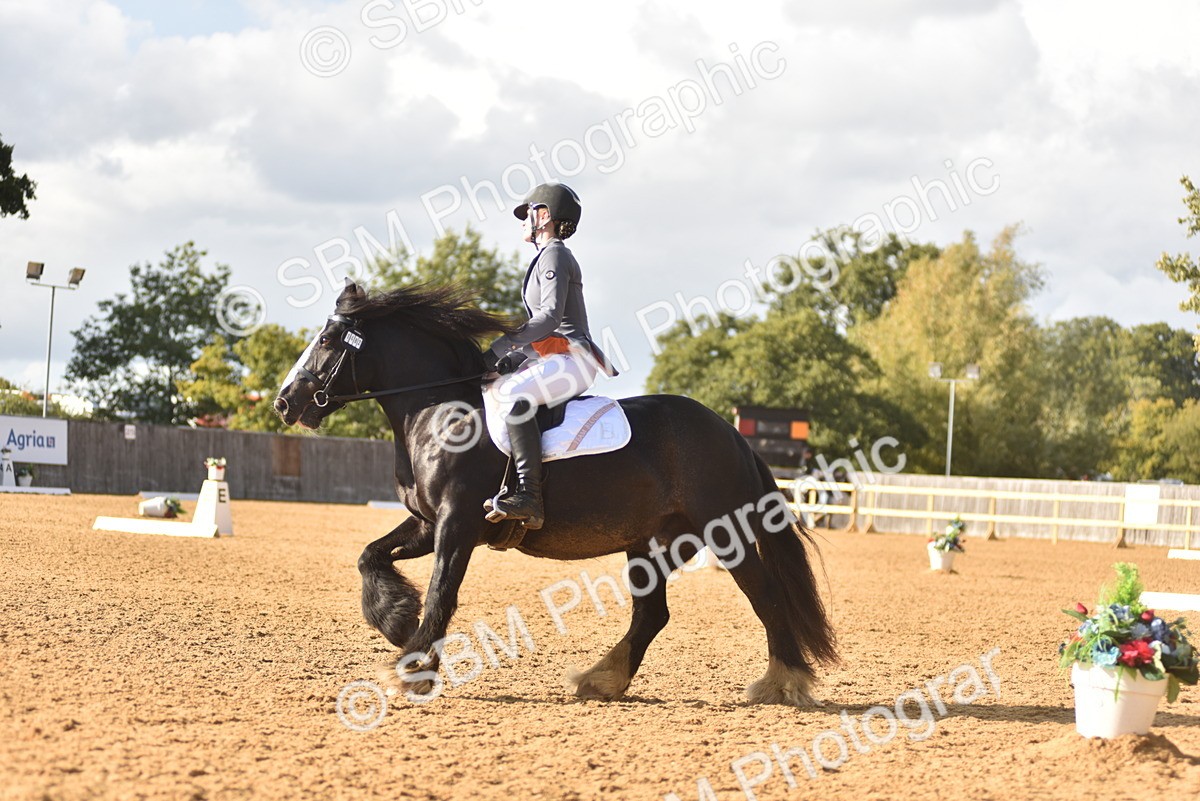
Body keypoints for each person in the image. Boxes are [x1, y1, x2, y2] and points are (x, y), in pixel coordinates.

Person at [483, 182, 616, 529]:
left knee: (514, 394)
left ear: (543, 216)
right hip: (556, 356)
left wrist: (501, 346)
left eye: (525, 214)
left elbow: (549, 319)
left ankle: (529, 496)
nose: (521, 222)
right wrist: (514, 357)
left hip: (575, 359)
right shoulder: (547, 256)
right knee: (497, 386)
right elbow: (544, 331)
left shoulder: (555, 254)